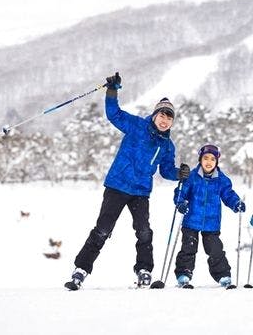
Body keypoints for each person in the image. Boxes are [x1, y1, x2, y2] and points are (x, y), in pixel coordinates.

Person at [65, 72, 190, 290]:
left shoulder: (167, 146)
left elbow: (166, 170)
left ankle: (144, 270)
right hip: (117, 185)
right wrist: (112, 91)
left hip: (141, 191)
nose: (165, 120)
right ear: (154, 115)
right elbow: (114, 114)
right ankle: (81, 269)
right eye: (162, 115)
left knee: (144, 231)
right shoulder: (137, 126)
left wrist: (179, 173)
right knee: (103, 229)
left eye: (169, 117)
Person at [173, 144, 246, 288]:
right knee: (188, 248)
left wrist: (235, 203)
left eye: (213, 159)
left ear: (217, 161)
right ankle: (183, 274)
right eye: (205, 158)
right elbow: (180, 192)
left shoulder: (221, 179)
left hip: (211, 223)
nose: (209, 162)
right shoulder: (192, 177)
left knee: (215, 249)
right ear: (200, 159)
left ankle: (223, 275)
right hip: (191, 220)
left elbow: (228, 194)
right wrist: (180, 203)